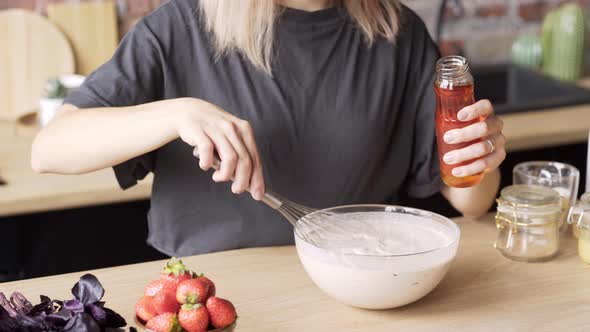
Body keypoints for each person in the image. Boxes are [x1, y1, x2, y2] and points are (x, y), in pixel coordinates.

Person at [31, 0, 506, 257]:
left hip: (361, 289)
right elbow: (50, 149)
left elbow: (471, 201)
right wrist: (175, 114)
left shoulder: (395, 31)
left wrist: (481, 158)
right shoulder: (180, 26)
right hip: (211, 295)